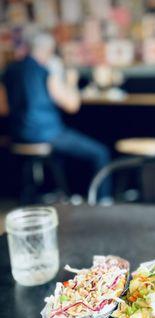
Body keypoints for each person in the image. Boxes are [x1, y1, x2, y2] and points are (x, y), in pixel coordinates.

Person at [0, 31, 110, 200]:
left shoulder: (9, 70)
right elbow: (72, 106)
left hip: (18, 137)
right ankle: (103, 200)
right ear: (48, 51)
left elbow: (3, 108)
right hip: (46, 135)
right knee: (100, 153)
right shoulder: (45, 71)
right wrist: (71, 81)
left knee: (60, 154)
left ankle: (61, 193)